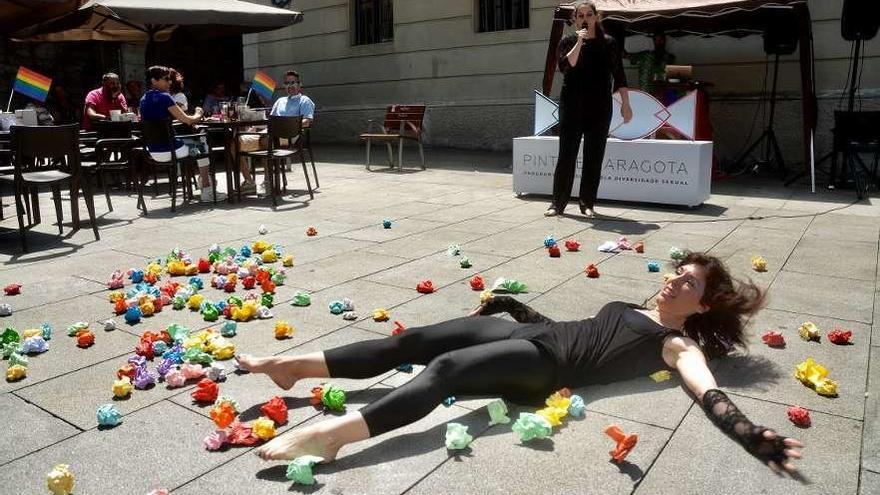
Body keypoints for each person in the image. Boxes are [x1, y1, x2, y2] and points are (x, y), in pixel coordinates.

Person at [236, 252, 805, 475]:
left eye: (689, 282)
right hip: (535, 334)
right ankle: (290, 366)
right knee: (412, 341)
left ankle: (332, 436)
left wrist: (750, 433)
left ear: (702, 305)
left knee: (447, 371)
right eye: (676, 271)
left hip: (545, 368)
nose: (674, 280)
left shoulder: (678, 346)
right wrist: (514, 307)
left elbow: (707, 393)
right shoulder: (637, 307)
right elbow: (580, 328)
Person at [545, 1, 632, 219]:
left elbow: (619, 75)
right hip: (572, 105)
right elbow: (566, 66)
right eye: (580, 15)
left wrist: (626, 105)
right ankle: (557, 204)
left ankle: (587, 203)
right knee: (567, 154)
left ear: (596, 17)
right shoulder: (567, 41)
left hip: (600, 106)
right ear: (575, 20)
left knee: (594, 156)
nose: (585, 18)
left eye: (589, 14)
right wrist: (580, 40)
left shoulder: (609, 43)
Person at [139, 65, 224, 202]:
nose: (170, 82)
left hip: (152, 151)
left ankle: (203, 182)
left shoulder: (143, 99)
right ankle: (207, 189)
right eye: (166, 79)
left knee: (195, 142)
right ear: (154, 81)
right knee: (201, 143)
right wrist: (199, 113)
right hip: (170, 150)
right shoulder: (165, 97)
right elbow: (188, 120)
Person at [237, 70, 315, 195]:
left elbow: (307, 121)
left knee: (266, 141)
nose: (289, 86)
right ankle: (249, 182)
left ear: (300, 85)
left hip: (287, 136)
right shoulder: (280, 101)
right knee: (235, 143)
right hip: (267, 133)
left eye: (293, 82)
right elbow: (270, 121)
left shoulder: (304, 100)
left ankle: (269, 182)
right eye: (286, 83)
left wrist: (287, 125)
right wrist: (255, 127)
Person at [626, 32, 676, 97]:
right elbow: (626, 56)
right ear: (654, 41)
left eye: (661, 40)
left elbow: (675, 80)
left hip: (664, 95)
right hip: (646, 95)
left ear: (664, 41)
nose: (659, 42)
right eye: (656, 40)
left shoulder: (670, 58)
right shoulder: (646, 56)